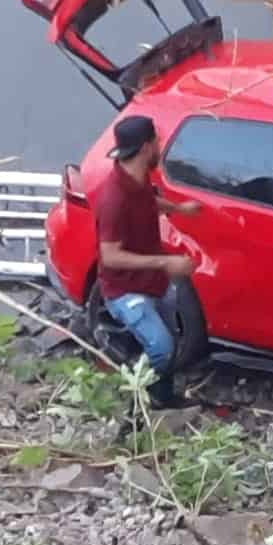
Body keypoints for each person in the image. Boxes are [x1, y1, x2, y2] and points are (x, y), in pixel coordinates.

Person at [93, 115, 201, 409]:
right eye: (157, 141)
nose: (160, 146)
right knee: (162, 348)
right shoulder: (113, 199)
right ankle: (140, 401)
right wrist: (166, 264)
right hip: (125, 290)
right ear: (145, 148)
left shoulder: (137, 178)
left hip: (153, 283)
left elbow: (147, 202)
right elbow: (110, 256)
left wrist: (178, 209)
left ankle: (162, 396)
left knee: (168, 341)